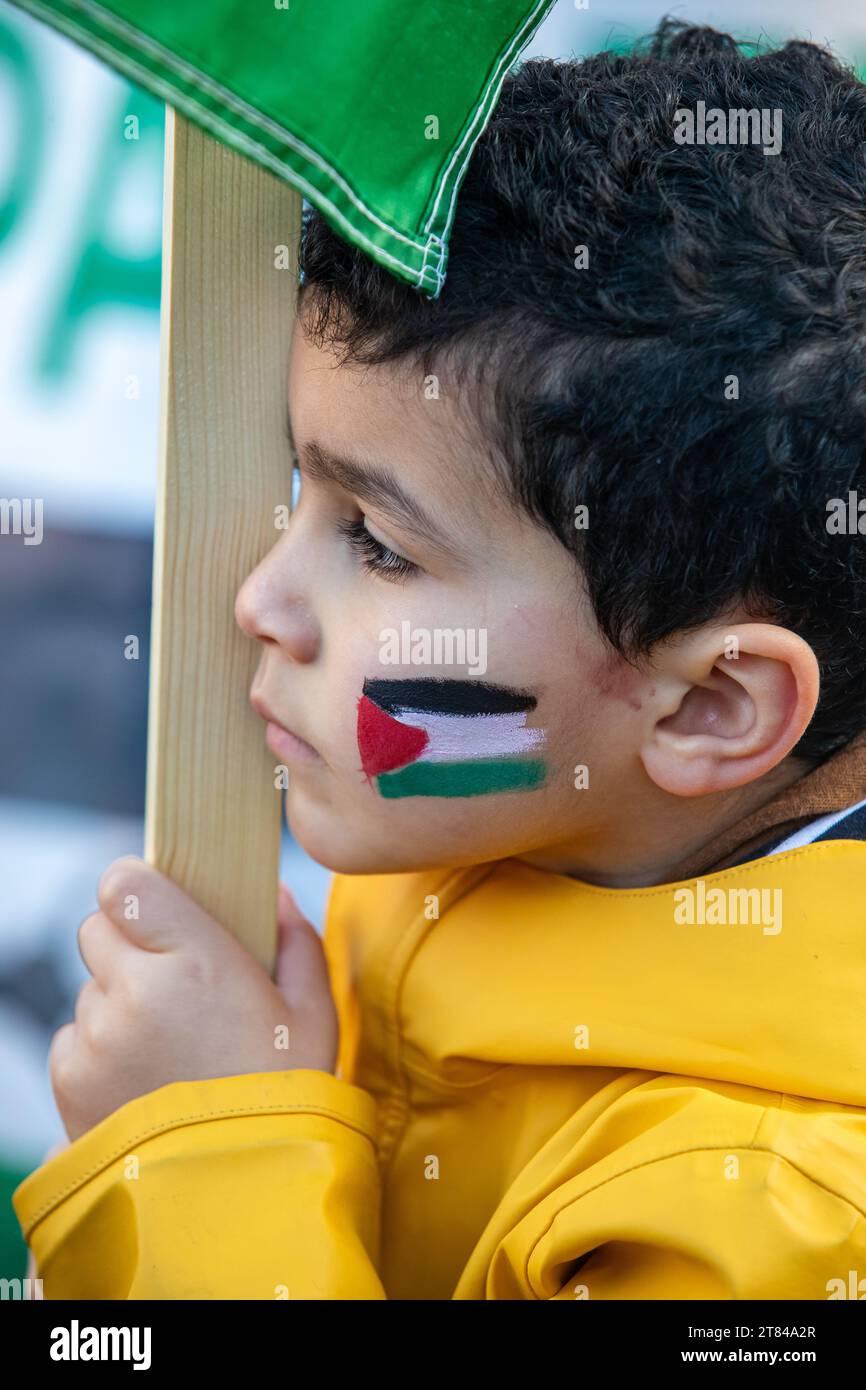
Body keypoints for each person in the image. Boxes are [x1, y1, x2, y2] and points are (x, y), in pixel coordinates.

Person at [14, 20, 866, 1299]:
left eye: (378, 544)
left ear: (707, 706)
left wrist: (204, 1161)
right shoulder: (530, 819)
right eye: (297, 488)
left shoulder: (774, 1230)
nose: (259, 600)